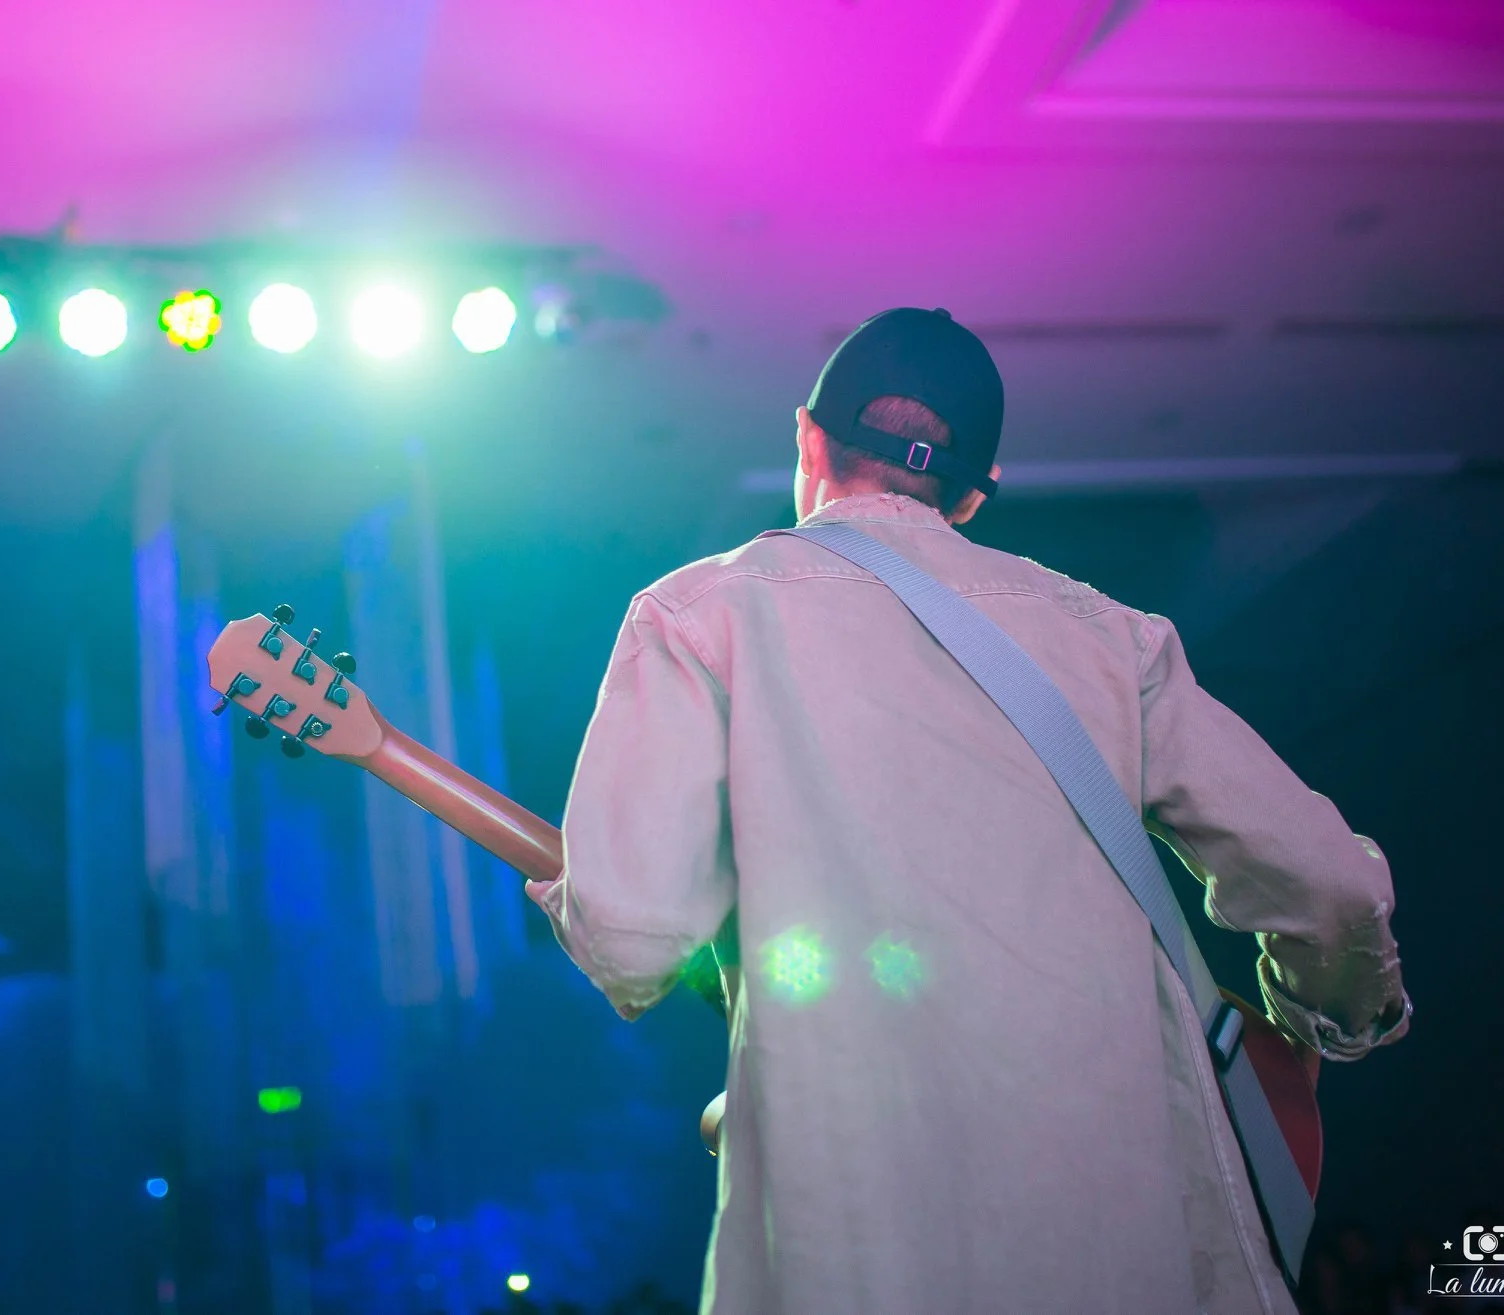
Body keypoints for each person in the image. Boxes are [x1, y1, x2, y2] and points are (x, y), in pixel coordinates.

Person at [525, 308, 1412, 1315]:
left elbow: (634, 935)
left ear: (808, 439)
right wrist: (1323, 1018)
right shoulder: (1110, 637)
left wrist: (582, 905)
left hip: (851, 1246)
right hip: (1123, 1245)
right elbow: (1326, 883)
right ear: (975, 495)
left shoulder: (696, 616)